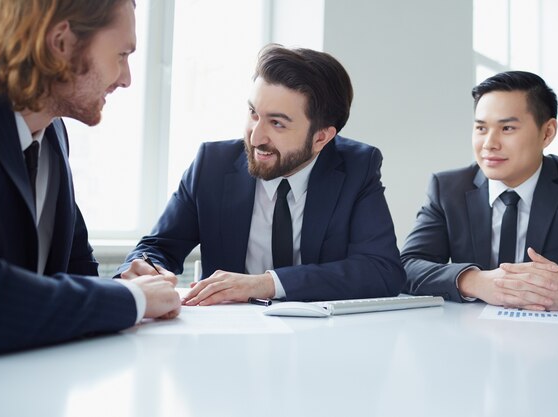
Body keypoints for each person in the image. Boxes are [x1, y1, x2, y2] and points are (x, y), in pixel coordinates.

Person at [118, 45, 404, 304]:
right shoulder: (212, 165)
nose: (255, 138)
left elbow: (381, 270)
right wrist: (144, 266)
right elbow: (158, 247)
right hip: (229, 336)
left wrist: (266, 283)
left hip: (323, 340)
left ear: (321, 138)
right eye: (253, 113)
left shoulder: (357, 167)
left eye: (277, 123)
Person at [0, 0, 181, 355]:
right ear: (62, 43)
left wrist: (123, 285)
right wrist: (129, 299)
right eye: (122, 54)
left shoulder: (53, 135)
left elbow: (74, 272)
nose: (126, 79)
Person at [401, 71, 558, 312]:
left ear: (547, 133)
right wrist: (475, 281)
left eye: (507, 128)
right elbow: (407, 266)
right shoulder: (448, 188)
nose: (489, 144)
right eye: (481, 128)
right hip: (471, 338)